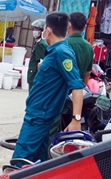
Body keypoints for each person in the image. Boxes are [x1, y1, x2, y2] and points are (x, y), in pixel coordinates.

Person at [12, 12, 85, 163]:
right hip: (38, 113)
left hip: (40, 116)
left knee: (19, 160)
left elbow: (77, 86)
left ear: (48, 30)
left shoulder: (62, 52)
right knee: (38, 162)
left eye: (44, 27)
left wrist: (76, 119)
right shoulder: (55, 51)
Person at [67, 12, 93, 85]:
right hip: (77, 90)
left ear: (69, 25)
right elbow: (87, 73)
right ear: (84, 27)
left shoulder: (63, 44)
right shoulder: (89, 47)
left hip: (61, 91)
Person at [27, 19, 47, 91]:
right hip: (33, 74)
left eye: (36, 29)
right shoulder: (39, 43)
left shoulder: (40, 44)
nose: (34, 31)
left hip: (35, 75)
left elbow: (41, 62)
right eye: (34, 29)